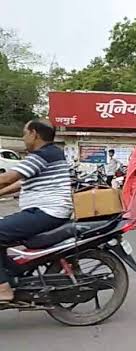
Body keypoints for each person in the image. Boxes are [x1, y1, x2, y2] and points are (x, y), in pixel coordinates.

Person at [0, 120, 72, 301]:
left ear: (34, 134)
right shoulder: (51, 153)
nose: (23, 138)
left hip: (46, 212)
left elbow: (9, 177)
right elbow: (21, 183)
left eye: (24, 134)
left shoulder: (42, 155)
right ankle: (14, 273)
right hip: (47, 211)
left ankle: (3, 288)